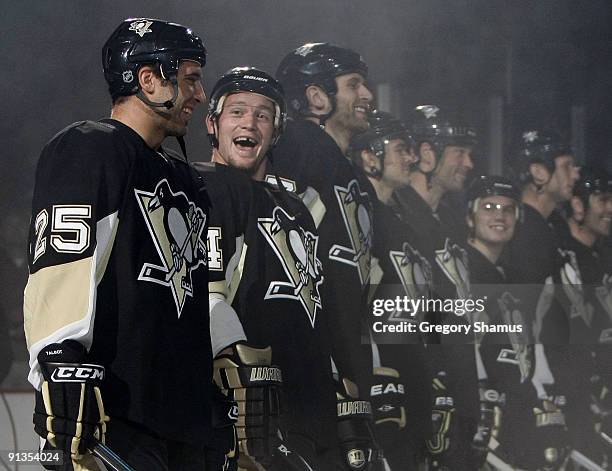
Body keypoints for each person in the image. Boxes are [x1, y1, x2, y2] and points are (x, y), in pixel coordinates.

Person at [24, 18, 213, 470]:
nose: (200, 95)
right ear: (148, 79)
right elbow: (62, 261)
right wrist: (60, 359)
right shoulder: (92, 146)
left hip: (184, 424)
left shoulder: (189, 181)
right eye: (189, 79)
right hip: (115, 417)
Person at [195, 66, 336, 470]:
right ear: (212, 123)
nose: (250, 123)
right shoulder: (205, 188)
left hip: (307, 411)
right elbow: (207, 296)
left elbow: (315, 307)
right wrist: (242, 398)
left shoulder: (296, 208)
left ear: (276, 130)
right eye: (237, 111)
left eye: (263, 114)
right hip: (242, 415)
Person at [270, 43, 384, 469]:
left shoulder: (346, 169)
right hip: (310, 374)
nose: (367, 95)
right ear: (317, 96)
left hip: (342, 368)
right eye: (353, 84)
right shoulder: (299, 145)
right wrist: (333, 366)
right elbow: (287, 260)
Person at [391, 105, 482, 470]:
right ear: (427, 154)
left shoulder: (450, 217)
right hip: (421, 395)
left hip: (460, 397)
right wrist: (429, 377)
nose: (469, 163)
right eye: (459, 152)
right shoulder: (395, 216)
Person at [350, 110, 433, 468]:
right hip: (381, 381)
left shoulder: (402, 220)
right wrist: (377, 373)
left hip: (412, 376)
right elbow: (353, 302)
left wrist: (436, 371)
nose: (411, 158)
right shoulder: (357, 213)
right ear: (370, 155)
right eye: (401, 148)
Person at [502, 128, 582, 470]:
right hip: (536, 373)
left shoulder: (552, 226)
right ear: (539, 172)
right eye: (567, 166)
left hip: (558, 369)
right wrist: (535, 374)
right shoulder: (524, 230)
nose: (575, 174)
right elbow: (524, 309)